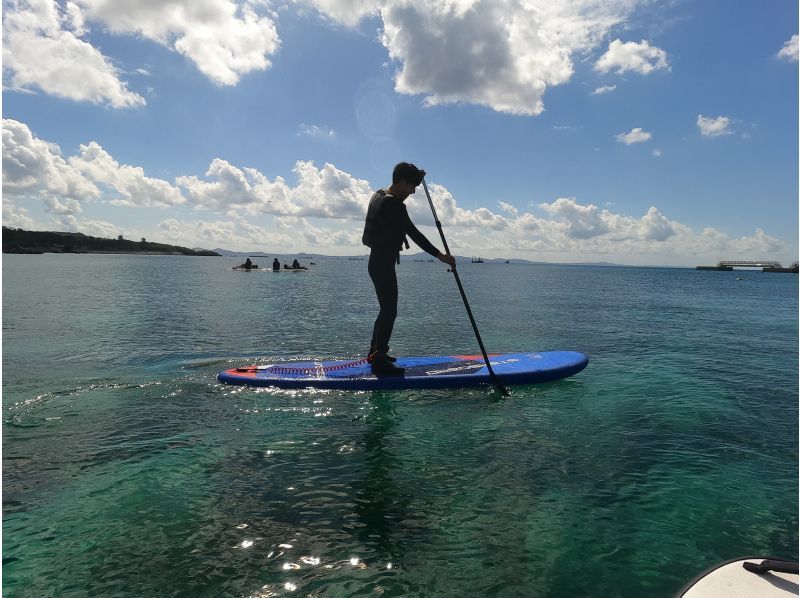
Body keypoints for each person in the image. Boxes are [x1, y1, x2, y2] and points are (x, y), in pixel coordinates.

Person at [362, 162, 456, 376]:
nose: (413, 192)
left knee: (385, 309)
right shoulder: (394, 204)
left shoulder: (378, 195)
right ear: (402, 182)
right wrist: (442, 256)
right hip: (382, 264)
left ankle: (375, 352)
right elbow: (414, 234)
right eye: (412, 186)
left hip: (377, 262)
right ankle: (379, 361)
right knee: (389, 310)